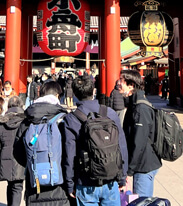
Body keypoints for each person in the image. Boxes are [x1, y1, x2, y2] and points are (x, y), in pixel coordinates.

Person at [62, 74, 128, 206]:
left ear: (74, 93)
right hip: (111, 179)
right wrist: (123, 177)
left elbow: (70, 154)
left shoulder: (71, 119)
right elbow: (122, 146)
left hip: (85, 181)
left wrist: (70, 183)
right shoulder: (110, 113)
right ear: (94, 91)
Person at [14, 80, 68, 206]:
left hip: (35, 182)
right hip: (59, 183)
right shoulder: (63, 118)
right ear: (57, 96)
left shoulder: (27, 120)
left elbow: (18, 152)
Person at [118, 69, 161, 198]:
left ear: (131, 85)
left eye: (121, 81)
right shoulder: (134, 104)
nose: (118, 83)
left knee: (142, 201)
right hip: (142, 163)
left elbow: (139, 142)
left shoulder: (141, 108)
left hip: (143, 165)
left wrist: (129, 169)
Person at [0, 96, 26, 206]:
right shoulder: (25, 120)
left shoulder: (2, 121)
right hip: (21, 157)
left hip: (5, 154)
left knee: (10, 184)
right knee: (18, 186)